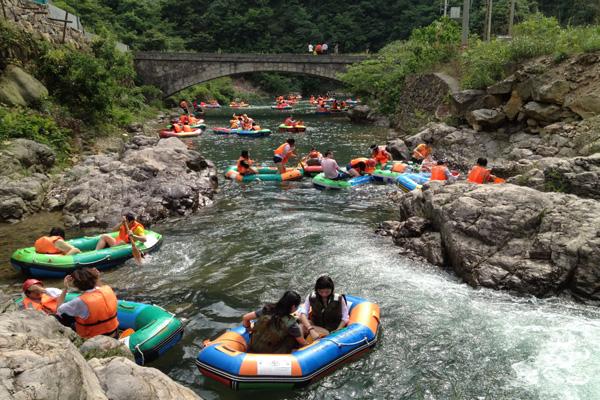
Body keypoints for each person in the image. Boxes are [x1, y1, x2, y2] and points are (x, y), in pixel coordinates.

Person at [56, 268, 119, 339]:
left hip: (93, 339)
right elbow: (99, 287)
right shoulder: (107, 289)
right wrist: (97, 278)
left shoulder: (80, 301)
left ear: (76, 285)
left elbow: (58, 309)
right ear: (94, 279)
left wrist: (65, 288)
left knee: (59, 317)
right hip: (114, 334)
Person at [242, 291, 307, 354]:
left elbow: (245, 318)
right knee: (300, 328)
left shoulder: (267, 309)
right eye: (297, 306)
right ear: (293, 307)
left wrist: (248, 328)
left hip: (252, 345)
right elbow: (302, 342)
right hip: (269, 353)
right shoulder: (292, 324)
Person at [298, 276, 349, 341]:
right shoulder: (311, 297)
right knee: (301, 326)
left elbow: (345, 317)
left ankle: (309, 343)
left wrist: (338, 329)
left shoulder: (339, 299)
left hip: (331, 330)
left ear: (332, 289)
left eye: (327, 292)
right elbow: (303, 313)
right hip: (316, 325)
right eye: (321, 292)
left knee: (324, 333)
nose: (324, 294)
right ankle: (302, 344)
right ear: (317, 290)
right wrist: (311, 329)